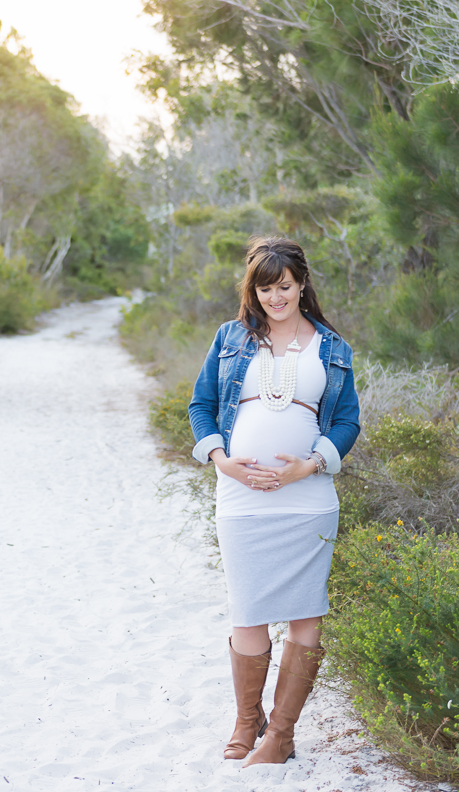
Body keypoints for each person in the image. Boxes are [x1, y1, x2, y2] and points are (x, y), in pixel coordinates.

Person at [187, 236, 361, 767]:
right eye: (265, 288)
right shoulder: (230, 338)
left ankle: (280, 736)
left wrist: (308, 465)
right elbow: (202, 405)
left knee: (306, 614)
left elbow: (348, 421)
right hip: (240, 499)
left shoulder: (332, 347)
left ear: (302, 284)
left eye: (284, 286)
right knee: (248, 611)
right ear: (253, 290)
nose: (275, 298)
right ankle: (248, 722)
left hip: (307, 501)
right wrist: (223, 460)